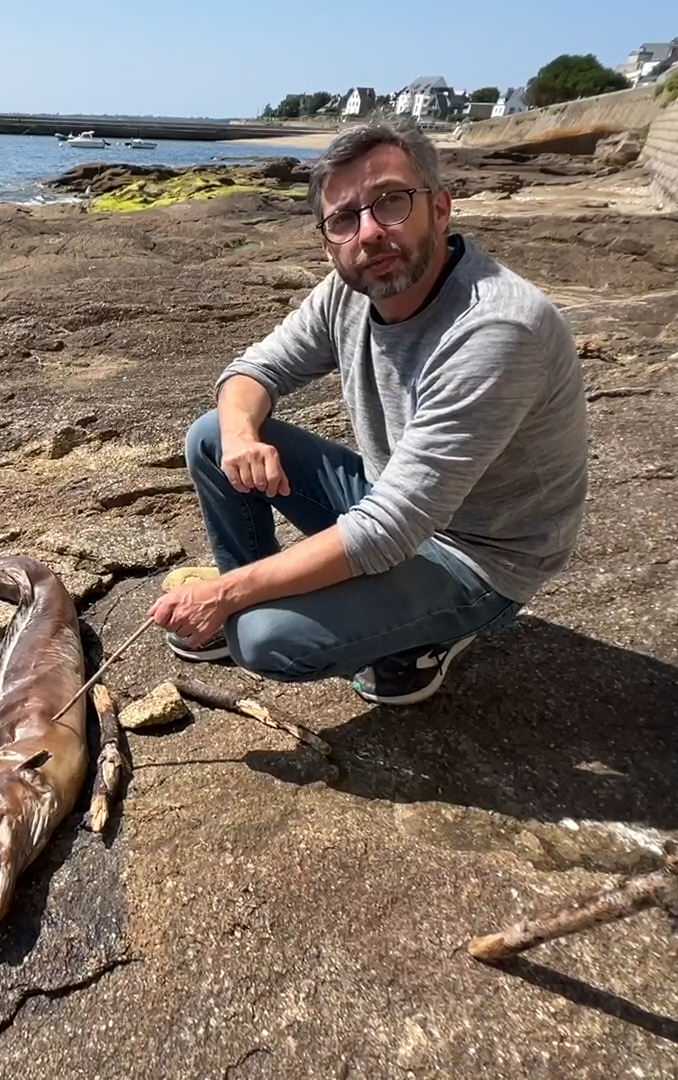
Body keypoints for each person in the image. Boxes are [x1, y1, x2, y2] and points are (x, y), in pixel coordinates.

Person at [148, 123, 586, 706]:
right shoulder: (346, 291)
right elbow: (251, 373)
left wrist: (228, 595)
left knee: (267, 640)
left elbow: (390, 528)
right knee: (212, 435)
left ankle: (432, 637)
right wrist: (238, 437)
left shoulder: (495, 330)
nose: (371, 232)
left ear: (440, 206)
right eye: (344, 219)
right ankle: (245, 597)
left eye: (391, 202)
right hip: (389, 499)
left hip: (479, 553)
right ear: (329, 242)